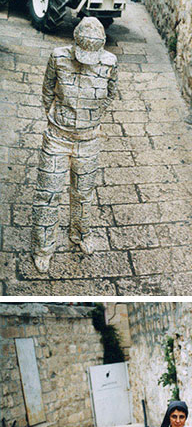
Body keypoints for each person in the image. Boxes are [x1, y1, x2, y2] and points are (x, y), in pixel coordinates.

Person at [31, 17, 118, 273]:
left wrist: (91, 120)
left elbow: (110, 94)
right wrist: (56, 116)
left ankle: (80, 234)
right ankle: (43, 248)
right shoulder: (58, 58)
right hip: (57, 138)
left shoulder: (110, 63)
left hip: (88, 141)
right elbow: (47, 89)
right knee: (47, 195)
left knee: (83, 195)